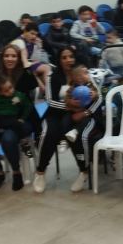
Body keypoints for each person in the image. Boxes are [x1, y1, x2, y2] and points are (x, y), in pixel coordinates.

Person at [34, 48, 101, 194]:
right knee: (48, 133)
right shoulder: (52, 77)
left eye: (71, 56)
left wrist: (86, 110)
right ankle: (40, 172)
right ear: (59, 60)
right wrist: (70, 106)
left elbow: (98, 96)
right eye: (64, 57)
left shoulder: (83, 73)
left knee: (78, 136)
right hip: (56, 115)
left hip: (80, 115)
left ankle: (83, 171)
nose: (68, 60)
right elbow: (50, 101)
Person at [0, 73, 34, 192]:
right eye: (6, 90)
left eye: (11, 87)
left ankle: (16, 171)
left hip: (13, 126)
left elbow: (28, 107)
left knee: (8, 140)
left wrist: (22, 119)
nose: (10, 91)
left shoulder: (19, 95)